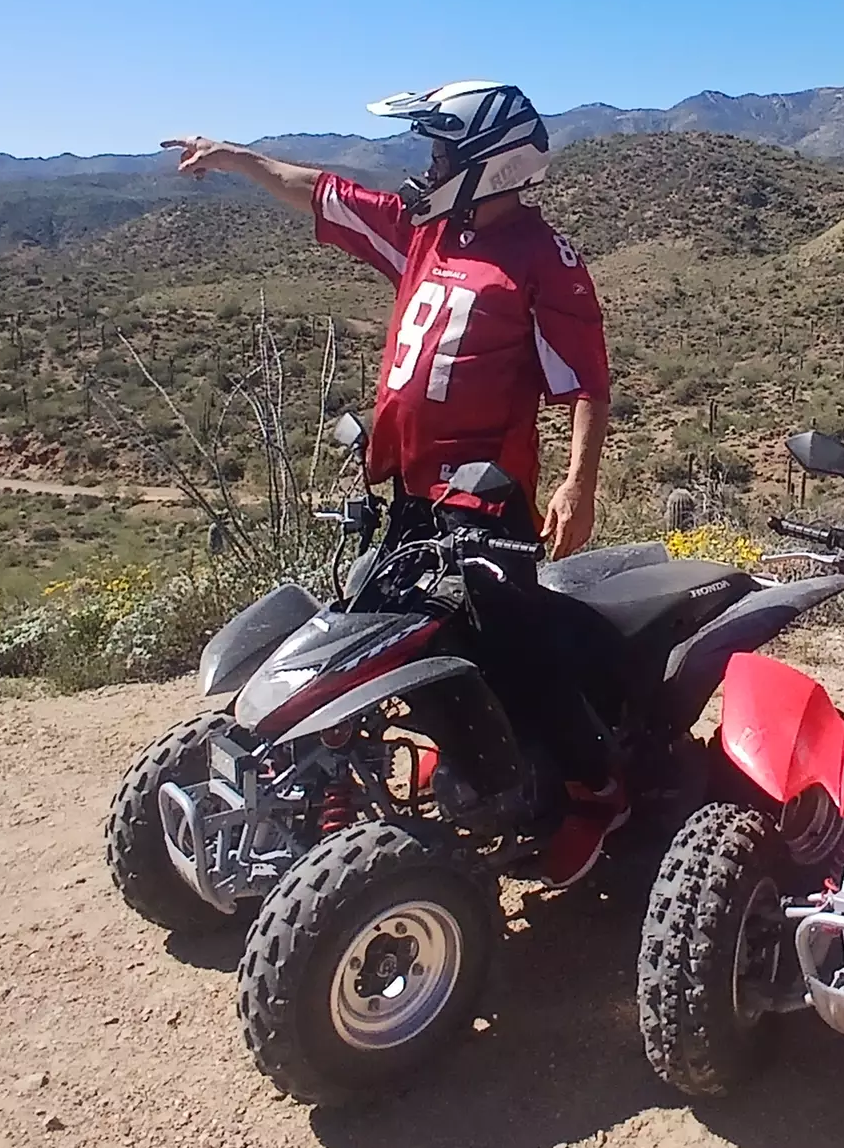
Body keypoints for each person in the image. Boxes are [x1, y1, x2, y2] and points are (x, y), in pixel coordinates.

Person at [163, 80, 628, 886]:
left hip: (486, 502)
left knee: (512, 649)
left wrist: (577, 486)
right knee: (373, 623)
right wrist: (238, 159)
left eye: (444, 151)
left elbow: (587, 380)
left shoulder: (543, 262)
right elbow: (323, 192)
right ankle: (370, 793)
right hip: (410, 492)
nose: (431, 164)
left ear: (495, 165)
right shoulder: (426, 234)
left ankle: (596, 792)